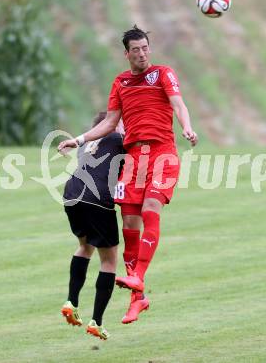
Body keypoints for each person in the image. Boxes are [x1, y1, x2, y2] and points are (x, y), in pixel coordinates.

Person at [58, 25, 198, 325]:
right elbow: (110, 122)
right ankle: (138, 299)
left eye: (146, 48)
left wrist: (187, 126)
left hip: (162, 152)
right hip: (134, 158)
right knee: (129, 225)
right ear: (127, 53)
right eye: (136, 50)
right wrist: (79, 139)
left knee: (150, 209)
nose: (142, 53)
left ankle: (138, 278)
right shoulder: (120, 83)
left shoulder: (163, 74)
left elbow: (178, 103)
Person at [61, 111, 124, 340]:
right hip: (97, 198)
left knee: (85, 246)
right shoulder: (118, 139)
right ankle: (96, 321)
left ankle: (71, 301)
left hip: (72, 193)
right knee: (109, 260)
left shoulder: (85, 144)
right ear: (111, 126)